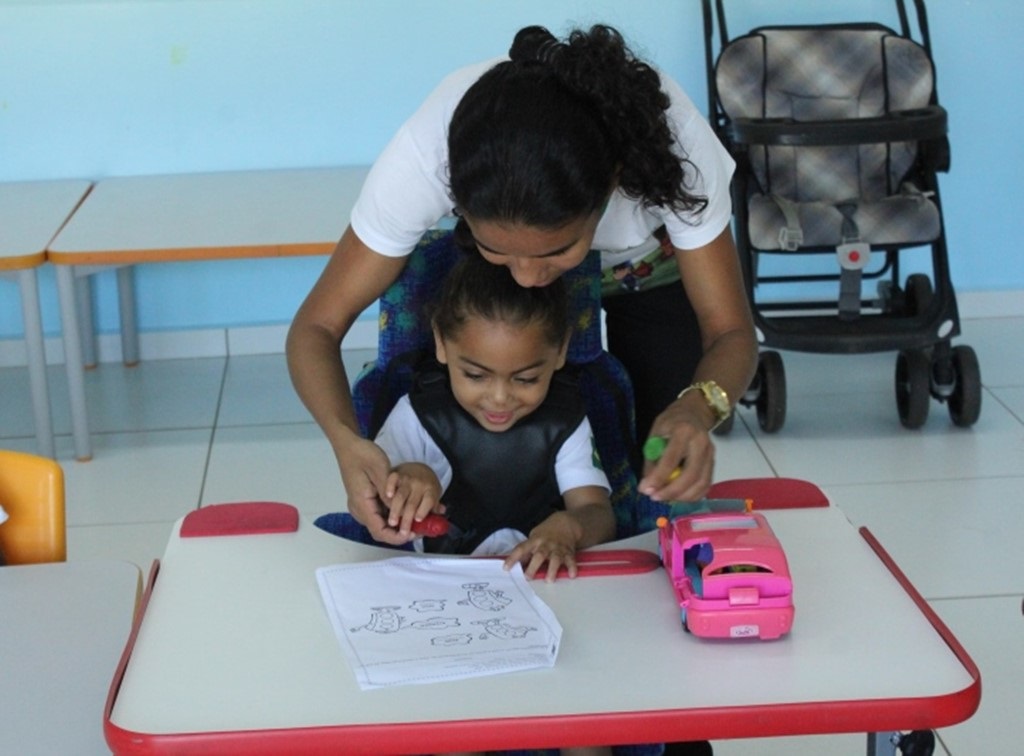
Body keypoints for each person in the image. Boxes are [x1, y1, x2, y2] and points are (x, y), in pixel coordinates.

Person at [287, 23, 758, 549]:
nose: (530, 278)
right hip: (506, 278)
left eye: (557, 251)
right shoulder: (426, 157)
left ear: (610, 187)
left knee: (658, 471)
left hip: (646, 264)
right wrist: (346, 442)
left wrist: (697, 407)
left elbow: (730, 331)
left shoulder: (677, 149)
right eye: (499, 249)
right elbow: (317, 326)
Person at [372, 251, 615, 584]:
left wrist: (570, 527)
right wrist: (404, 480)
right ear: (441, 343)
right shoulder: (416, 414)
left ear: (560, 351)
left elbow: (598, 512)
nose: (500, 398)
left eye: (526, 379)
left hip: (541, 587)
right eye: (475, 375)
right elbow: (373, 507)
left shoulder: (565, 421)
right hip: (433, 587)